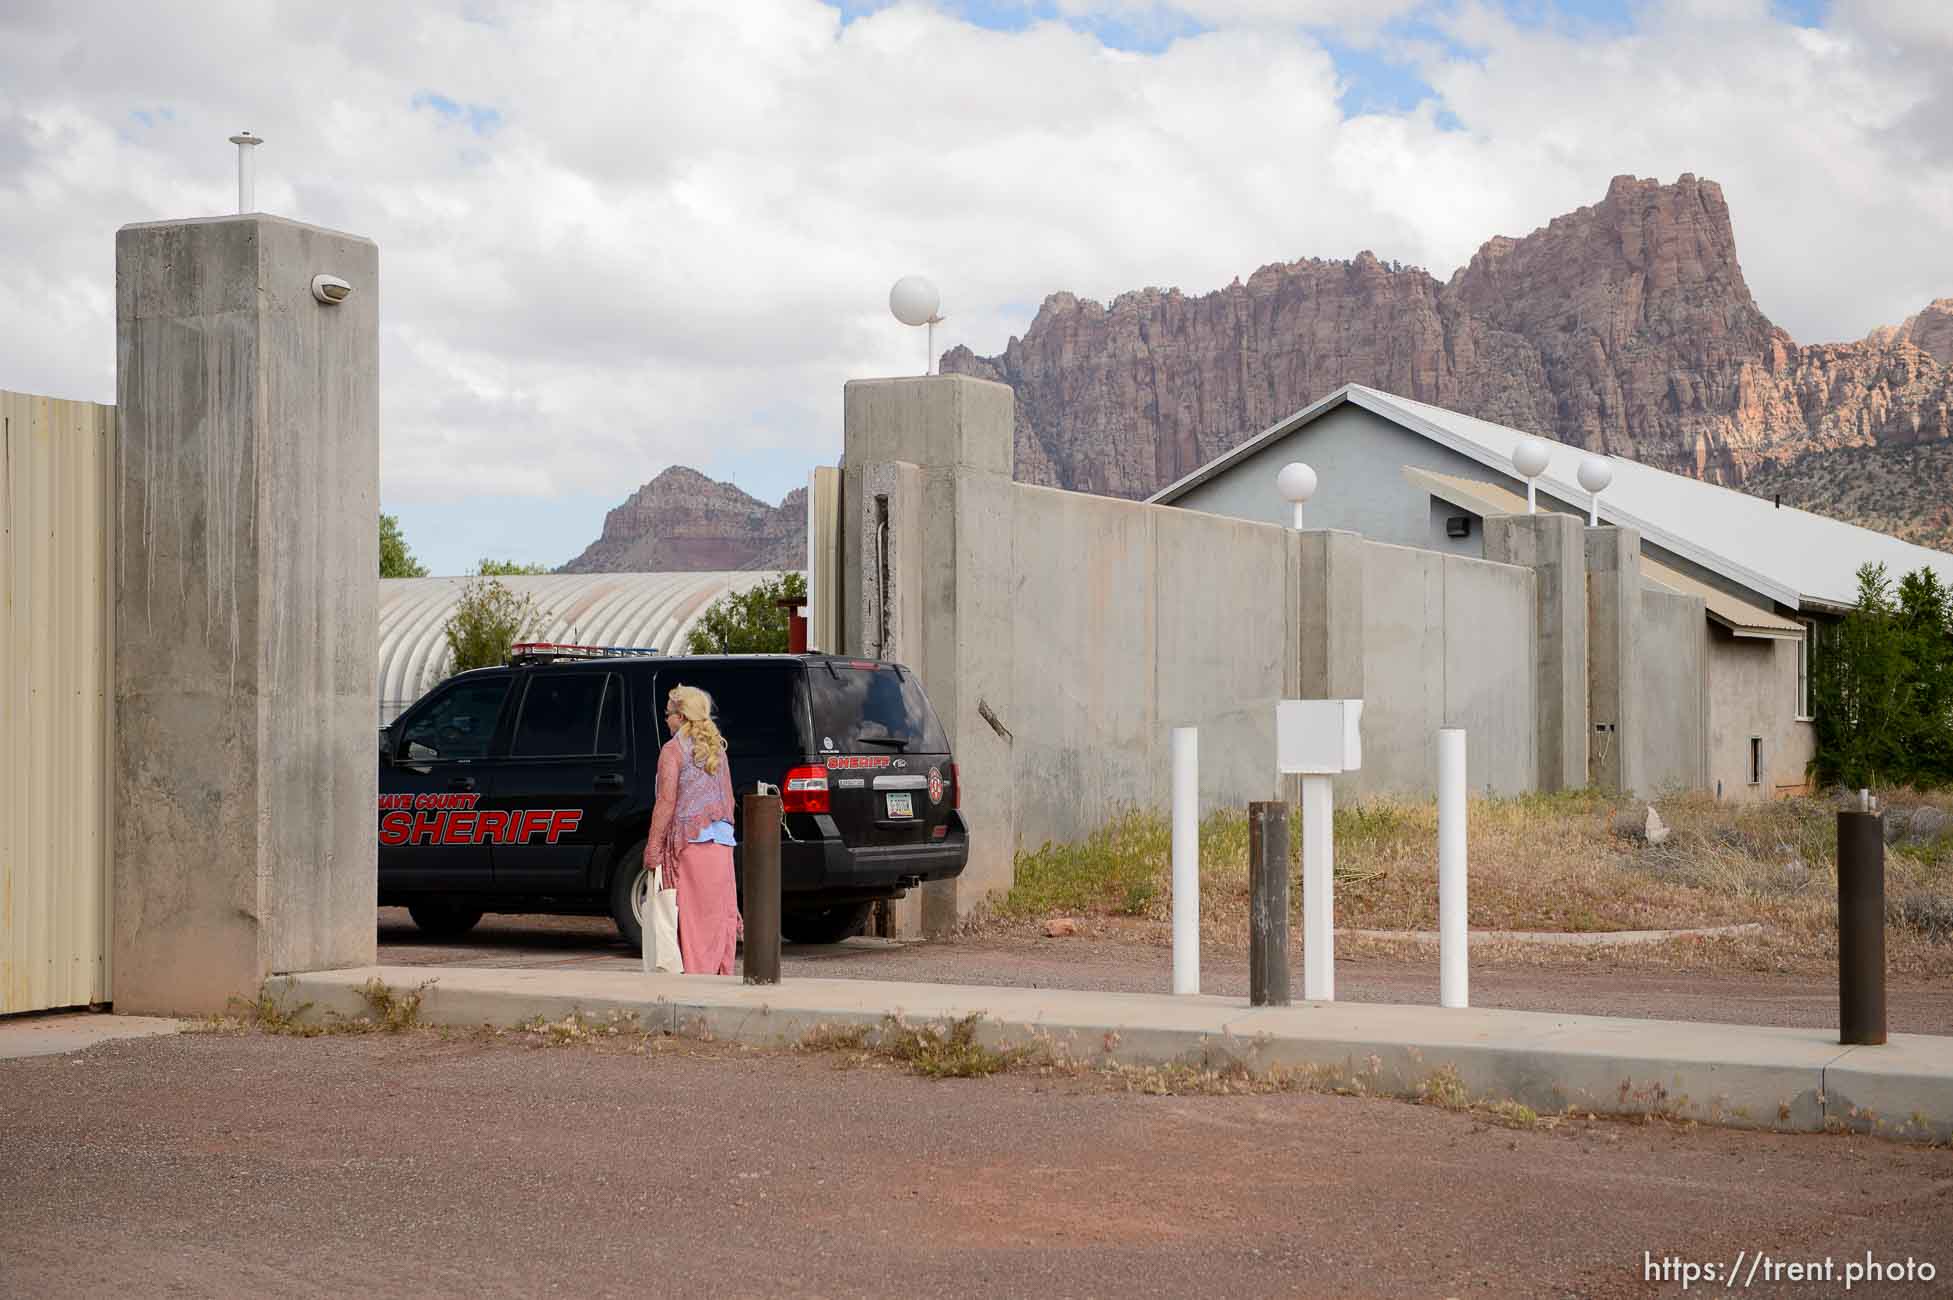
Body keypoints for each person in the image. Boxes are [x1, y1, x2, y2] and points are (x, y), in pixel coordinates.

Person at [645, 684, 741, 975]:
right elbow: (730, 800)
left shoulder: (672, 750)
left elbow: (666, 802)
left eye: (668, 713)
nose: (665, 719)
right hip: (722, 847)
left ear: (682, 716)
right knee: (717, 920)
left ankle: (695, 994)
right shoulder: (716, 750)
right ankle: (719, 982)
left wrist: (653, 848)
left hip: (690, 848)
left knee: (692, 924)